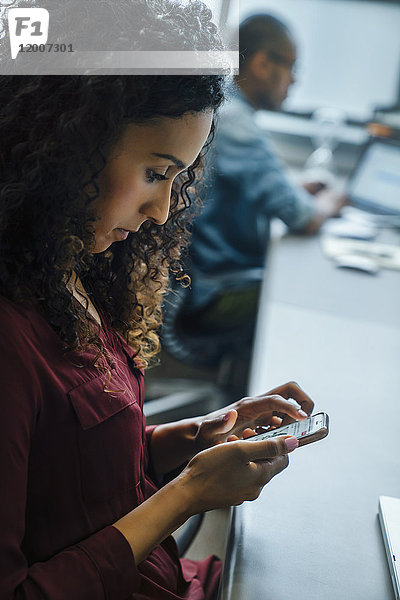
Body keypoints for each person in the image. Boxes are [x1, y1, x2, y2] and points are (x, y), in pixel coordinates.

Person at [0, 14, 317, 600]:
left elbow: (70, 476)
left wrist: (194, 439)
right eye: (154, 173)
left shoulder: (70, 269)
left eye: (178, 178)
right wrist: (187, 496)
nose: (164, 211)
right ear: (68, 148)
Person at [175, 14, 346, 345]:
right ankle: (246, 389)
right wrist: (332, 201)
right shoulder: (234, 119)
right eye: (291, 68)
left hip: (201, 279)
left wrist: (295, 189)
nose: (294, 81)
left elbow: (230, 192)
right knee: (304, 295)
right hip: (210, 295)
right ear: (263, 63)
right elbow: (303, 217)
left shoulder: (222, 103)